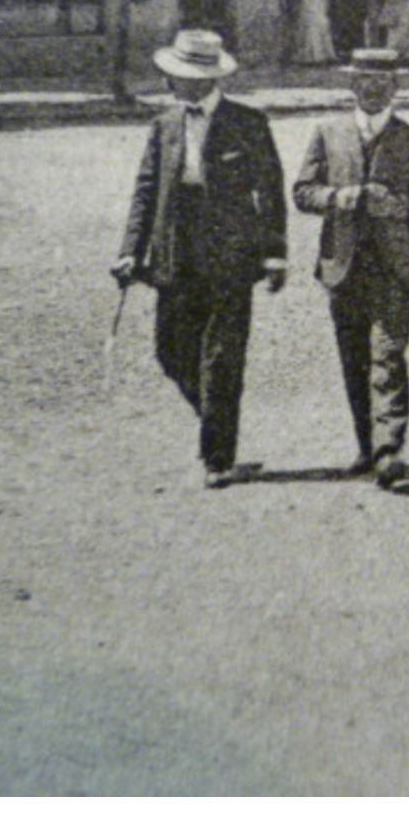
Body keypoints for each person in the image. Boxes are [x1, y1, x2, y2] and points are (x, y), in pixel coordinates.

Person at [111, 29, 288, 489]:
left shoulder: (248, 123)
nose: (173, 83)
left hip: (231, 255)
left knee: (223, 358)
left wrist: (274, 254)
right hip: (174, 253)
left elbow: (269, 194)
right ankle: (218, 425)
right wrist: (130, 251)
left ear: (208, 80)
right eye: (173, 75)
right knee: (170, 351)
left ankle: (218, 458)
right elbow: (145, 191)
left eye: (183, 76)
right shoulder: (164, 125)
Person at [293, 48, 409, 488]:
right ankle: (366, 446)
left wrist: (399, 206)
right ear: (351, 85)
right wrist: (338, 198)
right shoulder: (327, 133)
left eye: (383, 81)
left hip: (394, 265)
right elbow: (303, 191)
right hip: (341, 264)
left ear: (396, 87)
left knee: (388, 357)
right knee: (354, 360)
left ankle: (389, 453)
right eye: (365, 80)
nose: (374, 88)